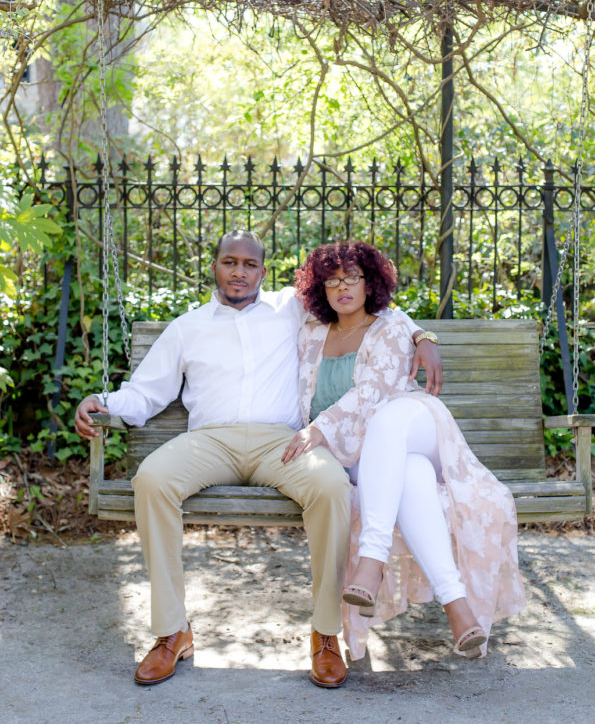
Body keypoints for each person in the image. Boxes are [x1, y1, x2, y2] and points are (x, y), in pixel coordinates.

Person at [74, 229, 442, 687]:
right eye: (230, 262)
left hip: (281, 442)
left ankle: (326, 633)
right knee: (152, 479)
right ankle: (172, 631)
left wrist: (421, 334)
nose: (239, 272)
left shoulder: (291, 309)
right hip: (211, 441)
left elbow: (368, 304)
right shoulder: (187, 327)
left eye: (249, 265)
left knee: (331, 486)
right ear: (214, 266)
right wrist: (103, 401)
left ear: (263, 271)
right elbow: (146, 392)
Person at [283, 241, 526, 663]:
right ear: (319, 289)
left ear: (370, 282)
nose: (343, 287)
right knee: (411, 475)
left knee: (387, 418)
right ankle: (457, 607)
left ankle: (371, 559)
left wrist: (421, 334)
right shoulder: (310, 331)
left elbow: (371, 392)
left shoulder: (392, 325)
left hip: (414, 425)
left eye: (352, 277)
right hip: (363, 457)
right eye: (332, 280)